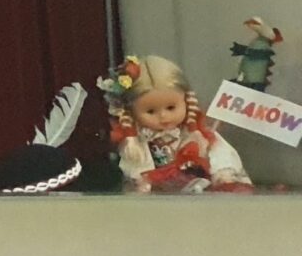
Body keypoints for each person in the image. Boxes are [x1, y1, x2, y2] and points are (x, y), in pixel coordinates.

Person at [99, 55, 251, 193]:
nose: (163, 116)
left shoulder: (199, 136)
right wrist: (142, 183)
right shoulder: (137, 143)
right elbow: (135, 169)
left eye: (171, 107)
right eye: (151, 111)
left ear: (186, 100)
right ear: (132, 111)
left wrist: (222, 174)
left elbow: (221, 154)